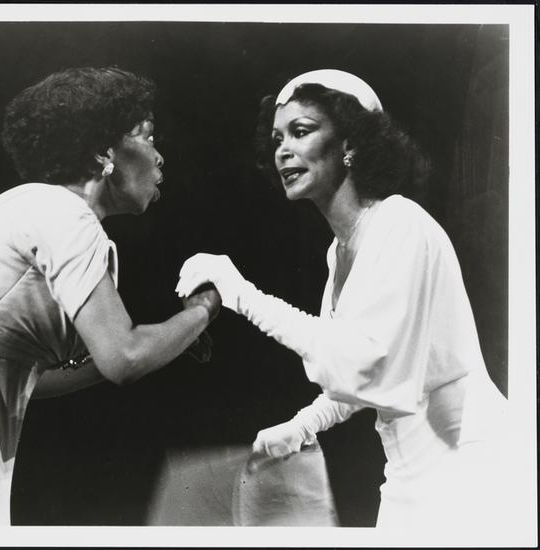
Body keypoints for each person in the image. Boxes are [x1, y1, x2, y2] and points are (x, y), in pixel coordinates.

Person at [0, 67, 221, 525]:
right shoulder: (67, 218)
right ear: (102, 152)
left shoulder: (28, 205)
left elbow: (26, 376)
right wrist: (203, 310)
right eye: (147, 136)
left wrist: (171, 340)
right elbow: (124, 357)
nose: (159, 156)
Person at [176, 70, 511, 529]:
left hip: (471, 464)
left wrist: (243, 296)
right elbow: (355, 377)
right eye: (277, 139)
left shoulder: (401, 223)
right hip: (406, 474)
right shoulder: (339, 252)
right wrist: (303, 425)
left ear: (351, 141)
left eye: (301, 131)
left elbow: (362, 363)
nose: (282, 150)